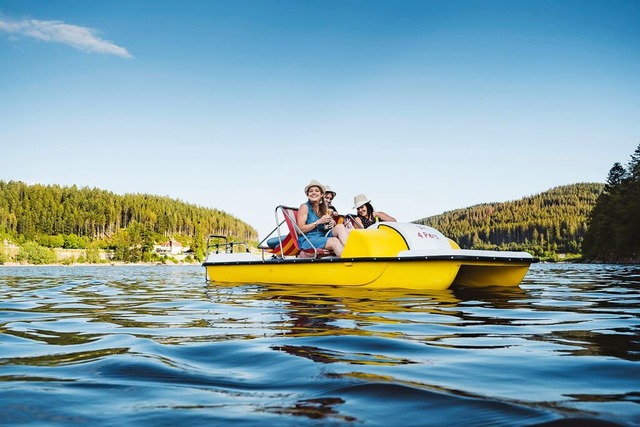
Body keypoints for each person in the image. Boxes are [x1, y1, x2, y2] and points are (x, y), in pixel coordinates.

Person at [297, 180, 350, 256]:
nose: (313, 193)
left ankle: (352, 251)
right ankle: (350, 259)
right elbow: (300, 230)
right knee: (334, 241)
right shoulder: (304, 207)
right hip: (309, 239)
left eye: (317, 191)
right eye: (311, 191)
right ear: (308, 195)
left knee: (340, 227)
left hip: (322, 236)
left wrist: (332, 223)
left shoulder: (323, 208)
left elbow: (326, 227)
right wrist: (318, 222)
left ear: (321, 194)